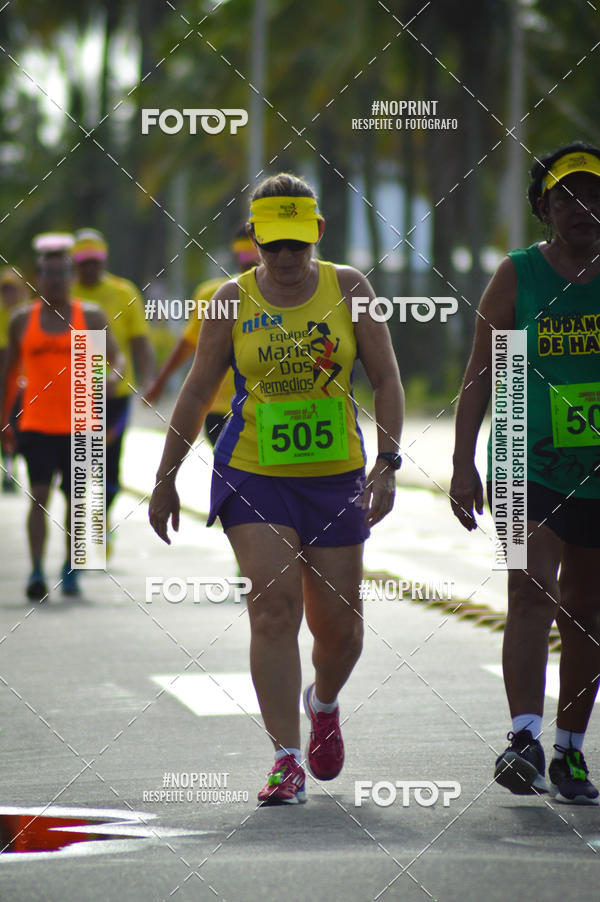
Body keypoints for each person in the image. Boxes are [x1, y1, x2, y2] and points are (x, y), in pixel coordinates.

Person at [149, 173, 404, 804]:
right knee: (272, 608)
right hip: (254, 471)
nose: (287, 259)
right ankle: (285, 758)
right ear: (253, 240)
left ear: (317, 235)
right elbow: (196, 388)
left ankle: (323, 701)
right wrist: (165, 479)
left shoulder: (349, 289)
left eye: (298, 245)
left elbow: (388, 379)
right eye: (273, 246)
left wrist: (388, 464)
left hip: (335, 476)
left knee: (340, 631)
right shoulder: (229, 302)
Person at [451, 142, 600, 804]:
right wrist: (461, 462)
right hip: (521, 455)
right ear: (544, 208)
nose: (582, 209)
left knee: (588, 612)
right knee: (531, 593)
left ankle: (569, 750)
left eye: (594, 195)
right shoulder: (518, 276)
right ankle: (523, 738)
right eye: (566, 197)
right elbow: (482, 374)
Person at [0, 234, 123, 601]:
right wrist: (5, 420)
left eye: (62, 273)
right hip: (37, 422)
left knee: (77, 501)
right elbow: (8, 374)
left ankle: (70, 568)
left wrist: (109, 380)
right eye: (49, 274)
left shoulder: (91, 316)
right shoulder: (23, 320)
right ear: (38, 278)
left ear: (70, 276)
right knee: (38, 496)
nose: (56, 280)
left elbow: (115, 359)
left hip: (82, 422)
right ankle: (37, 569)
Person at [71, 229, 155, 546]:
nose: (89, 268)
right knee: (81, 465)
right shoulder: (66, 294)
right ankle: (81, 532)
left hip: (115, 395)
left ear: (103, 259)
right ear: (74, 264)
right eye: (83, 262)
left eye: (94, 261)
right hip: (76, 395)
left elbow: (140, 339)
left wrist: (149, 380)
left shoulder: (123, 292)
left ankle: (101, 521)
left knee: (109, 468)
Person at [143, 228, 260, 447]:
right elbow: (188, 343)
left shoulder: (284, 297)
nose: (252, 263)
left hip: (264, 407)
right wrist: (159, 382)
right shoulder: (213, 295)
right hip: (220, 408)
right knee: (228, 473)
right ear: (236, 257)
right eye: (246, 257)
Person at [0, 268, 28, 492]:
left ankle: (13, 466)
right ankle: (8, 467)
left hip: (19, 381)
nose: (8, 294)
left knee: (15, 423)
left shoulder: (25, 314)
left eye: (12, 289)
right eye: (4, 289)